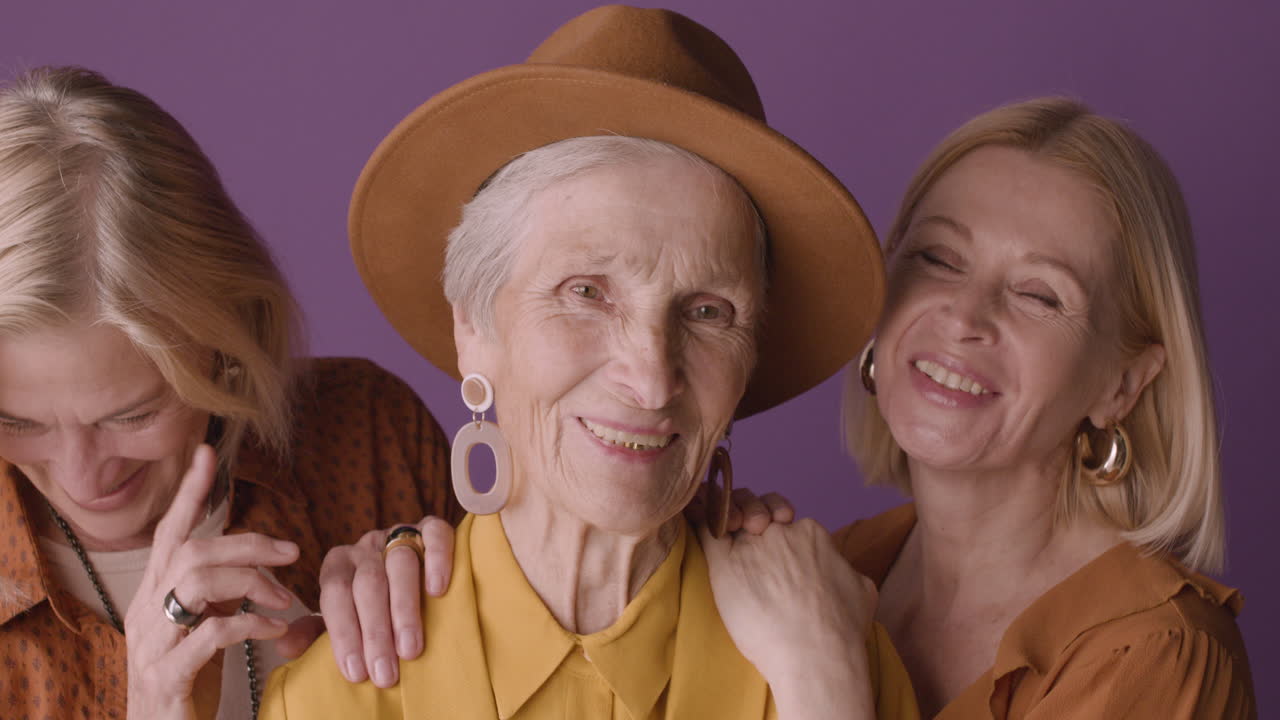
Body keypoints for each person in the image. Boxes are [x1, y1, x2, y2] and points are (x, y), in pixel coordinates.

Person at [259, 6, 918, 719]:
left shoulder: (836, 663)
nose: (651, 377)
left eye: (706, 312)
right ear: (475, 327)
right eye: (587, 292)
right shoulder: (335, 699)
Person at [0, 66, 457, 720]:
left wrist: (444, 615)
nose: (80, 474)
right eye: (17, 420)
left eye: (132, 414)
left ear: (230, 337)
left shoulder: (370, 434)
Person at [828, 97, 1256, 717]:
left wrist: (817, 672)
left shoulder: (1155, 656)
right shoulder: (834, 565)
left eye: (1040, 295)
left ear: (1123, 384)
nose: (964, 317)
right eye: (938, 258)